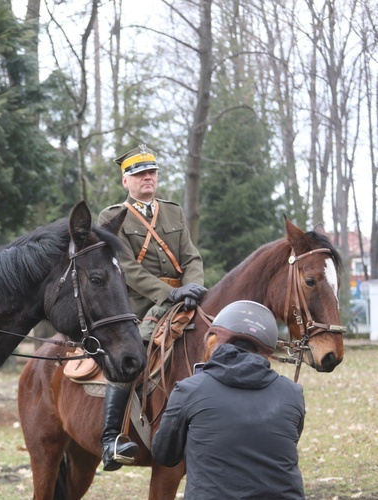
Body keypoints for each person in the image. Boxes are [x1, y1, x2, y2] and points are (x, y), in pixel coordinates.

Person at [97, 144, 207, 471]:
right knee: (130, 357)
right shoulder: (111, 216)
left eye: (152, 172)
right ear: (125, 181)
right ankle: (111, 439)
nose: (148, 177)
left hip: (184, 299)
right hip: (137, 306)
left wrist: (193, 288)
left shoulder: (172, 211)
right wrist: (167, 294)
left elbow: (191, 257)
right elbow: (126, 268)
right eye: (139, 173)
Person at [151, 300, 306, 499]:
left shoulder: (189, 390)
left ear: (214, 340)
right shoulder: (292, 393)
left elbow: (165, 454)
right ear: (267, 350)